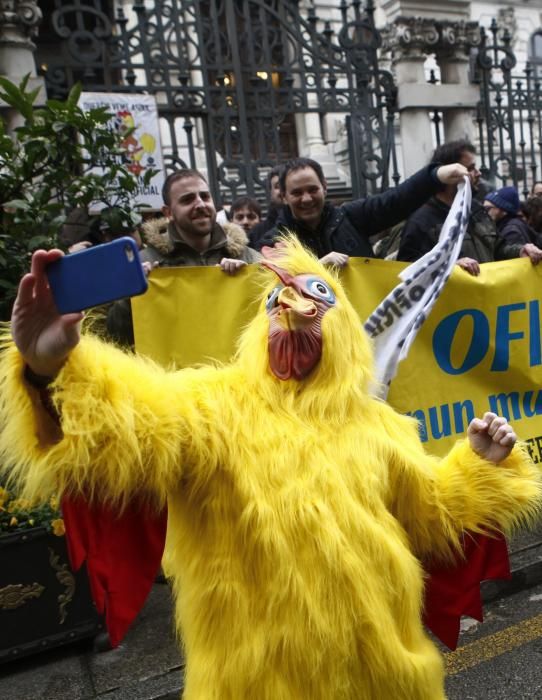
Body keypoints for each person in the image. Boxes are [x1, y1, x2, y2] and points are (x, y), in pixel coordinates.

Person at [1, 239, 540, 699]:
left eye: (318, 295)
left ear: (346, 331)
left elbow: (432, 518)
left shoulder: (381, 426)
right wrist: (52, 369)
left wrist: (480, 465)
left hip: (386, 677)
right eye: (279, 298)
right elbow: (119, 435)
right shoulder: (211, 407)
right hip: (254, 683)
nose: (292, 303)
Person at [106, 169, 260, 346]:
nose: (200, 204)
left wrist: (250, 281)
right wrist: (130, 295)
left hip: (237, 371)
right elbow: (114, 336)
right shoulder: (140, 263)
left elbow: (276, 317)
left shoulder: (247, 257)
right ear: (168, 212)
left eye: (205, 196)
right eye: (188, 200)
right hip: (169, 371)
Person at [256, 155, 470, 267]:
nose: (306, 199)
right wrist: (318, 269)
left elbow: (394, 201)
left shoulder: (350, 217)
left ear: (325, 187)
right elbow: (279, 284)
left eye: (313, 189)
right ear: (283, 196)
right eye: (297, 193)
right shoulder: (273, 241)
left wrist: (435, 176)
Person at [397, 140, 542, 275]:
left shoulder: (477, 210)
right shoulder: (421, 220)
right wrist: (450, 267)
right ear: (449, 174)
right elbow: (406, 269)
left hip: (485, 300)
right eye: (471, 168)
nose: (478, 173)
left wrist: (520, 251)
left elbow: (498, 249)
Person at [248, 165, 285, 248]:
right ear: (270, 193)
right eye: (277, 186)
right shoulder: (257, 233)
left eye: (286, 185)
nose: (282, 190)